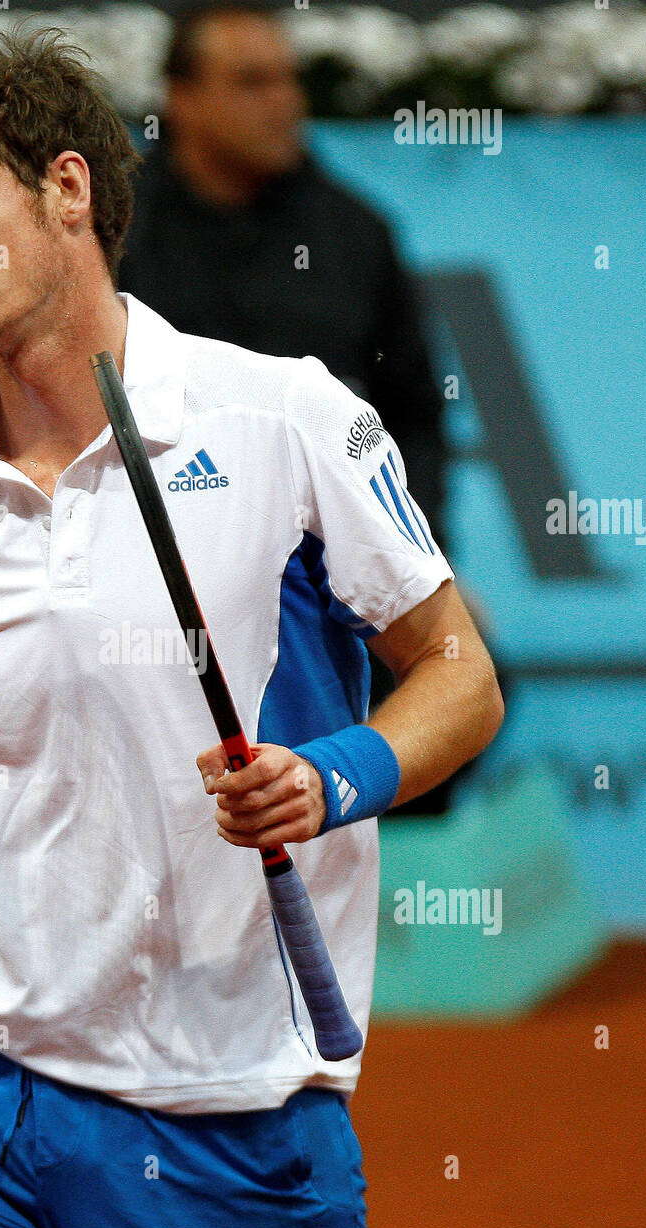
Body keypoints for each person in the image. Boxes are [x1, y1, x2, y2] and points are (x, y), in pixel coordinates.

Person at [0, 28, 503, 1228]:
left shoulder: (284, 418)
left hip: (223, 1112)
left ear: (67, 188)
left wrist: (329, 775)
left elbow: (459, 672)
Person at [119, 0, 461, 814]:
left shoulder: (355, 233)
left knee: (451, 672)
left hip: (335, 565)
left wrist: (422, 565)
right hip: (150, 573)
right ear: (181, 98)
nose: (283, 103)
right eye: (250, 82)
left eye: (288, 80)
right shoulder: (110, 231)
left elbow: (414, 416)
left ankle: (375, 916)